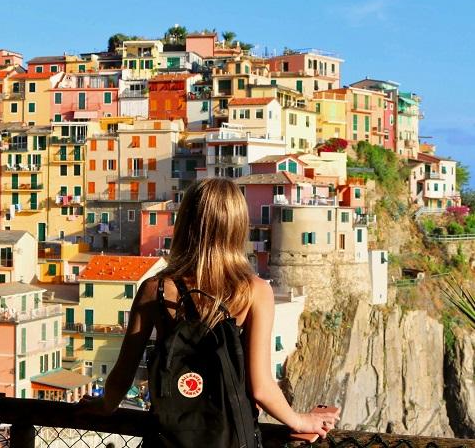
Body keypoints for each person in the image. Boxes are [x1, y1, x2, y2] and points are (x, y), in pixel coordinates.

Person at [78, 178, 339, 439]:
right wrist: (300, 420)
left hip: (169, 439)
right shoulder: (255, 292)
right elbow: (261, 387)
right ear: (237, 228)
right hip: (232, 438)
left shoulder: (154, 290)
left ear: (185, 224)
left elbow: (123, 374)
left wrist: (103, 406)